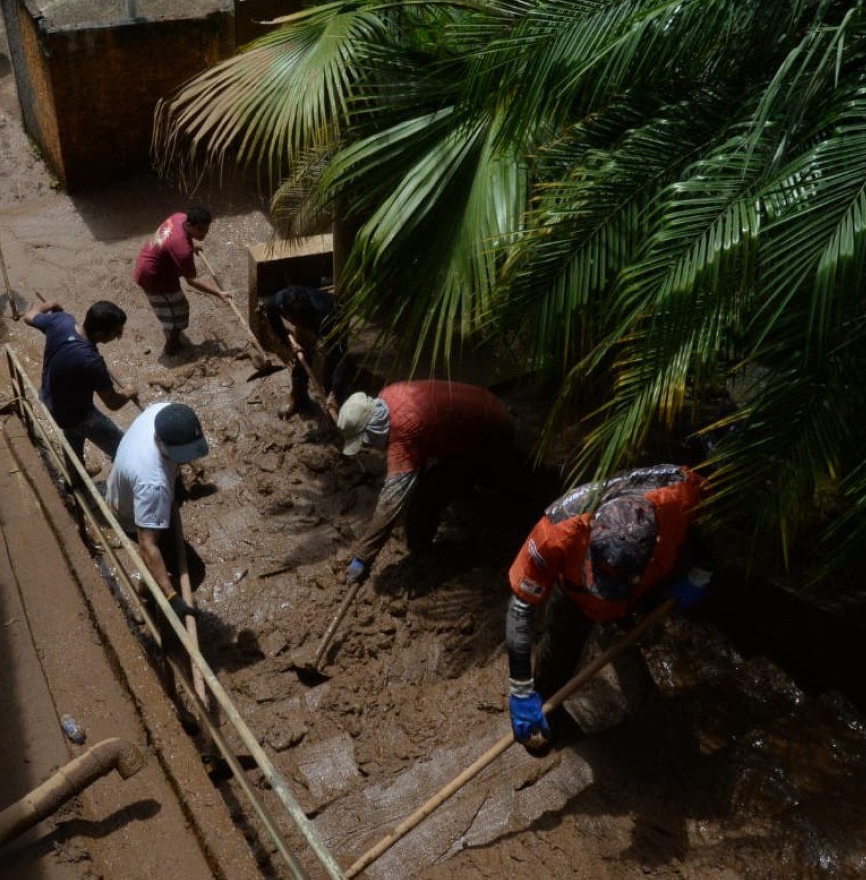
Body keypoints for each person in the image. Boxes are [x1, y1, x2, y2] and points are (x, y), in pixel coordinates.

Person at [503, 464, 711, 752]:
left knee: (644, 638)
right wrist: (520, 689)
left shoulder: (680, 495)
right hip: (576, 597)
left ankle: (648, 709)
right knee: (561, 648)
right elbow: (521, 608)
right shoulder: (558, 531)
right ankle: (547, 708)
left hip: (645, 589)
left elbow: (716, 516)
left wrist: (702, 571)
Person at [336, 380, 516, 583]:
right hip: (482, 408)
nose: (369, 447)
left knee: (426, 497)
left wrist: (363, 556)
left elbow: (391, 502)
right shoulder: (388, 395)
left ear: (374, 428)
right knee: (430, 481)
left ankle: (425, 552)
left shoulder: (406, 428)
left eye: (367, 440)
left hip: (491, 432)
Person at [105, 402, 210, 608]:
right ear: (162, 444)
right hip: (131, 511)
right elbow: (147, 544)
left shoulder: (163, 412)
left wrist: (177, 478)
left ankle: (149, 585)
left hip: (125, 484)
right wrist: (171, 595)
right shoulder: (153, 484)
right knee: (194, 572)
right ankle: (158, 602)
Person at [27, 298, 132, 461]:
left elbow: (29, 315)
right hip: (79, 415)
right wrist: (129, 392)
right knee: (125, 449)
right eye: (116, 333)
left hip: (50, 399)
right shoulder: (92, 362)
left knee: (71, 441)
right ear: (100, 334)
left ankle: (75, 479)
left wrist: (48, 305)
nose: (119, 336)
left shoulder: (61, 321)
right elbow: (113, 403)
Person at [132, 206, 232, 356]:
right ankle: (171, 347)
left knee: (174, 308)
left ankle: (172, 331)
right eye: (200, 230)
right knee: (179, 311)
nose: (205, 233)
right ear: (189, 225)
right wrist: (219, 293)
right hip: (153, 277)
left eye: (206, 229)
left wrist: (192, 246)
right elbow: (192, 281)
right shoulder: (182, 250)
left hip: (149, 259)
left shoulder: (178, 217)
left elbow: (176, 240)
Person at [261, 284, 354, 417]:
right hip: (311, 321)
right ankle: (298, 396)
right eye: (291, 320)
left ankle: (333, 400)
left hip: (335, 318)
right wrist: (288, 342)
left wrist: (334, 391)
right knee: (302, 355)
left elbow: (339, 355)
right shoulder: (279, 301)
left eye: (298, 321)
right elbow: (273, 318)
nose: (293, 324)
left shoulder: (325, 315)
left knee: (332, 361)